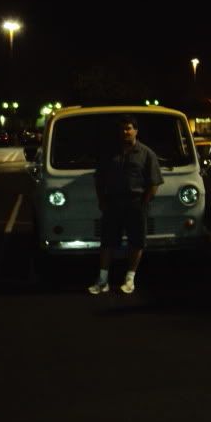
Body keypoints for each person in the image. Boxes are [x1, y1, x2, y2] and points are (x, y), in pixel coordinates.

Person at [88, 115, 164, 295]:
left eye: (129, 128)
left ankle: (130, 279)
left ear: (136, 130)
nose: (126, 132)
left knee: (136, 242)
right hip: (112, 203)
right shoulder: (109, 153)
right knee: (107, 241)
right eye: (123, 129)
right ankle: (103, 280)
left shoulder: (146, 153)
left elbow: (154, 183)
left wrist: (144, 203)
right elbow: (99, 179)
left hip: (135, 203)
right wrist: (102, 200)